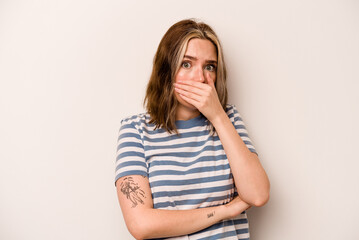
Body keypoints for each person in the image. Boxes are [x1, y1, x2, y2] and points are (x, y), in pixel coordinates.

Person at [115, 19, 270, 240]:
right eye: (187, 64)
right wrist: (222, 212)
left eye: (209, 67)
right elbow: (140, 225)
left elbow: (258, 195)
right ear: (166, 71)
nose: (200, 78)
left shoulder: (229, 119)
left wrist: (217, 115)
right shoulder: (135, 130)